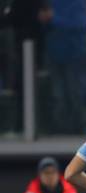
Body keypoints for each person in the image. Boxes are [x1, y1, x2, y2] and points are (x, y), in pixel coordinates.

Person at [0, 0, 52, 131]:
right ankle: (25, 125)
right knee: (24, 88)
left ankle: (24, 126)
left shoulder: (24, 4)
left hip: (27, 49)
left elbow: (13, 18)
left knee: (25, 88)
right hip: (29, 48)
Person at [45, 0, 86, 134]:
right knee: (57, 93)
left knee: (72, 91)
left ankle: (76, 126)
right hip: (54, 52)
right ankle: (59, 127)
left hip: (73, 53)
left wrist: (53, 18)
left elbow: (79, 23)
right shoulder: (51, 3)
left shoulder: (77, 3)